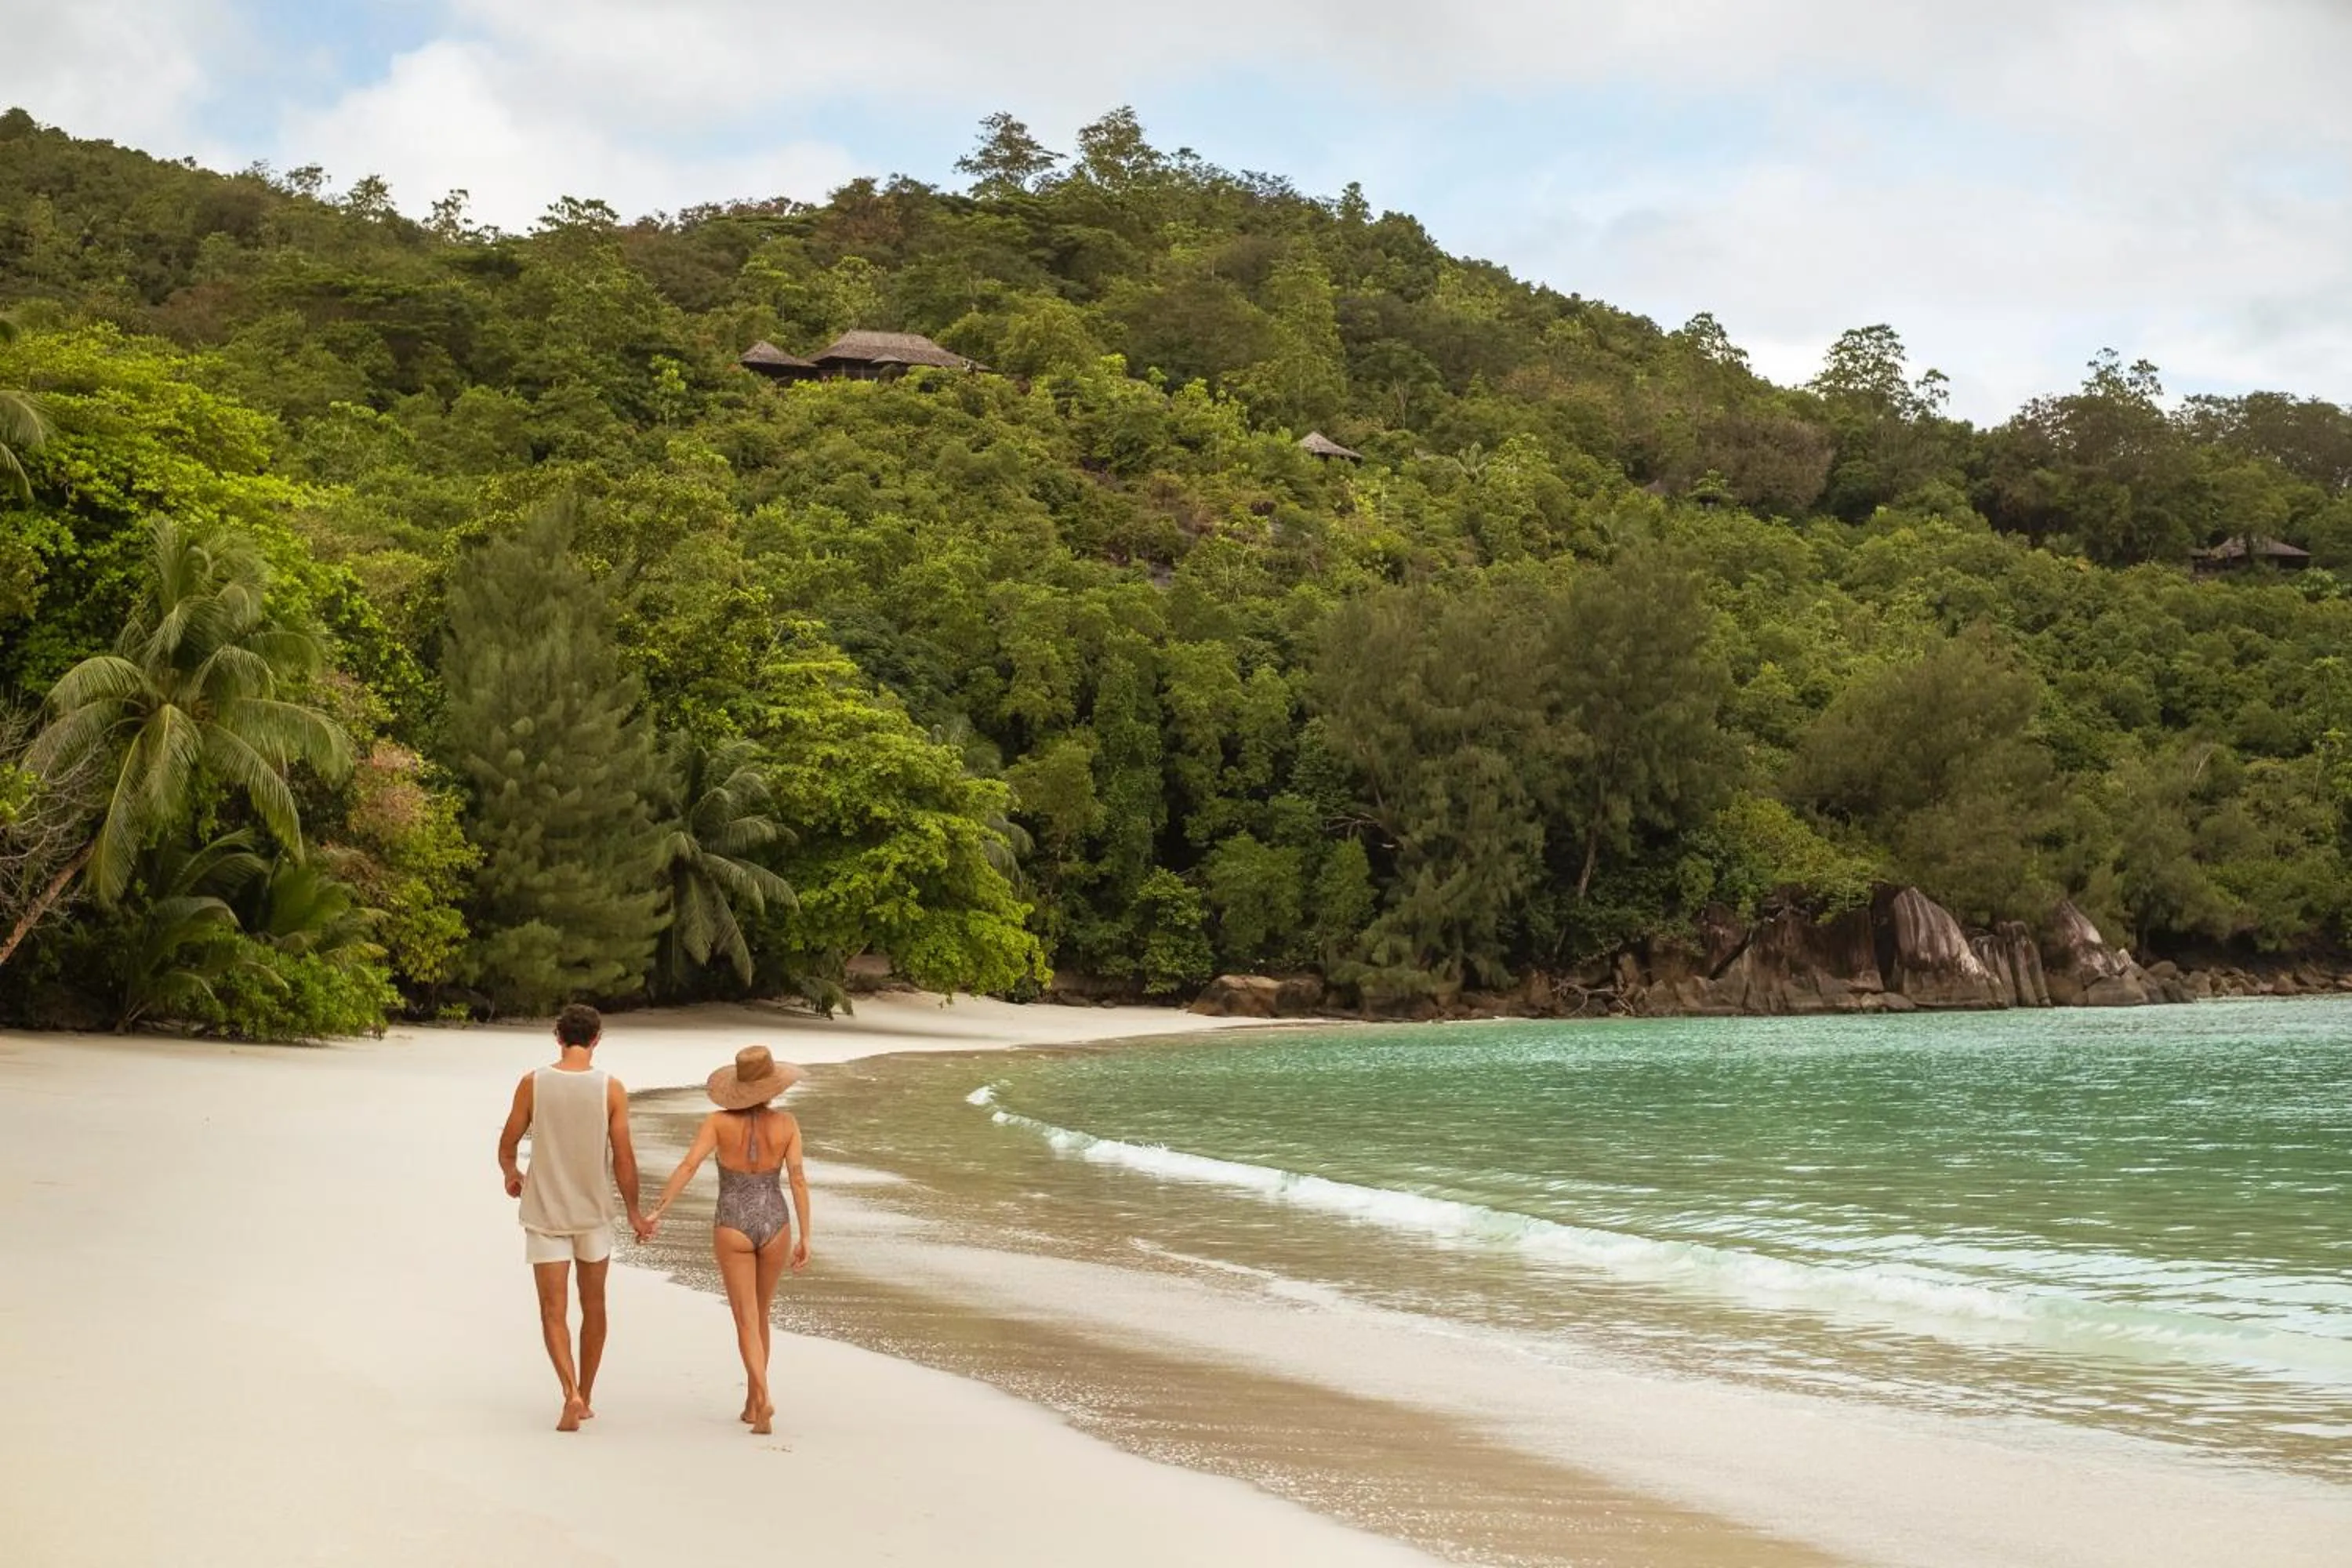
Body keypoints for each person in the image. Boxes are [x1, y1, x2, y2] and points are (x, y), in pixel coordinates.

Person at [496, 1003, 649, 1432]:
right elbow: (624, 1158)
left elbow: (507, 1144)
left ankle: (569, 1393)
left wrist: (512, 1174)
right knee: (595, 1305)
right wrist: (635, 1213)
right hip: (594, 1214)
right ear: (597, 1039)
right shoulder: (611, 1089)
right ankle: (587, 1393)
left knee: (553, 1310)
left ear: (557, 1036)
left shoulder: (533, 1084)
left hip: (545, 1211)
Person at [644, 1045, 811, 1435]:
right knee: (762, 1314)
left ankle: (762, 1397)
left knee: (746, 1319)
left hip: (732, 1221)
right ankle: (753, 1403)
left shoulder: (718, 1123)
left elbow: (689, 1164)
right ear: (772, 1086)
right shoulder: (787, 1124)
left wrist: (657, 1211)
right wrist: (806, 1236)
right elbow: (798, 1180)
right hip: (776, 1221)